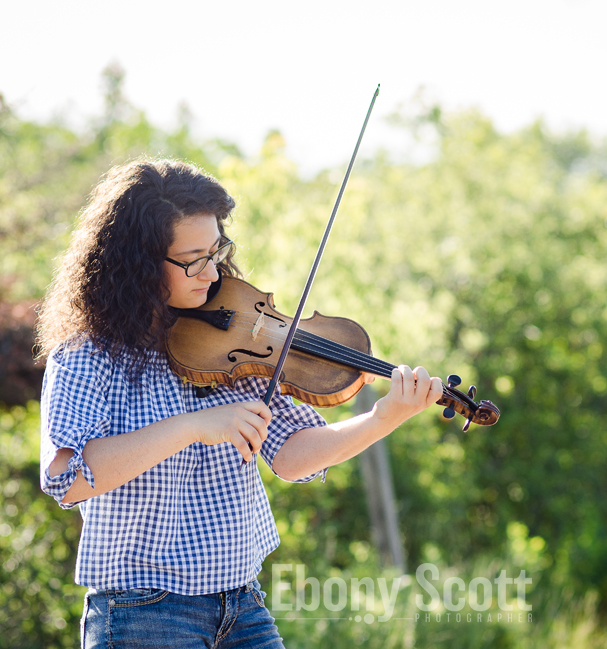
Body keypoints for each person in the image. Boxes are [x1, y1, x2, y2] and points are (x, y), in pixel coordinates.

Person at [36, 157, 443, 648]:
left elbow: (292, 454)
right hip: (143, 612)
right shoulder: (89, 355)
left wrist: (384, 418)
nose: (211, 272)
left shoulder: (231, 333)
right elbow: (66, 476)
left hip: (241, 604)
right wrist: (193, 425)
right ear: (139, 262)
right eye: (192, 259)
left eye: (216, 250)